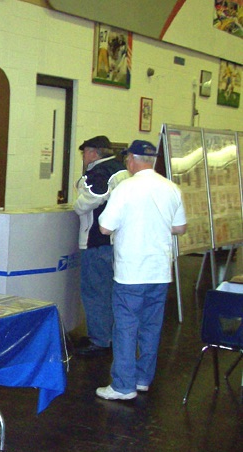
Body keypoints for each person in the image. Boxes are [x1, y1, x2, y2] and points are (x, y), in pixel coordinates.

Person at [95, 140, 186, 400]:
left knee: (125, 327)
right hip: (160, 271)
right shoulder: (172, 188)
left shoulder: (125, 188)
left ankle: (123, 386)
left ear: (132, 160)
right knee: (150, 327)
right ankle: (143, 378)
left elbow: (105, 227)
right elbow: (180, 228)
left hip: (131, 272)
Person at [73, 135, 129, 356]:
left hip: (96, 240)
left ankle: (99, 340)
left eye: (84, 152)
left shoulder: (99, 172)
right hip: (116, 241)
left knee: (95, 291)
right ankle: (111, 336)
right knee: (111, 291)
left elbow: (88, 201)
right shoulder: (122, 170)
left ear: (93, 152)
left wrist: (77, 204)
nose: (84, 157)